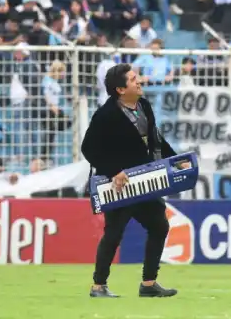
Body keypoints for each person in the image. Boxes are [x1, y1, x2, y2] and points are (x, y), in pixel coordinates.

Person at [81, 63, 179, 299]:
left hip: (145, 181)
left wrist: (175, 160)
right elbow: (88, 149)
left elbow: (155, 139)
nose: (139, 81)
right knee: (113, 234)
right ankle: (98, 286)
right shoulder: (105, 115)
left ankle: (148, 283)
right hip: (120, 185)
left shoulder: (143, 105)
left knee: (159, 226)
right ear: (120, 89)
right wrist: (113, 171)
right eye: (134, 79)